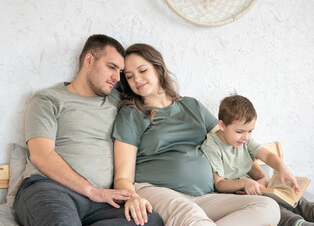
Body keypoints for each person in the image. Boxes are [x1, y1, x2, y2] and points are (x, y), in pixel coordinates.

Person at [112, 43, 280, 226]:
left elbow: (232, 144)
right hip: (156, 191)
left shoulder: (192, 106)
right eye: (129, 76)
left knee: (267, 207)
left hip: (204, 196)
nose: (136, 78)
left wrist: (258, 177)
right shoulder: (131, 114)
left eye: (142, 70)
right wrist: (133, 197)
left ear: (158, 69)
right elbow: (122, 177)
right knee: (192, 217)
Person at [13, 35, 163, 226]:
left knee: (150, 221)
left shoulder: (118, 101)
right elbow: (41, 156)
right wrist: (92, 191)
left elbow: (151, 93)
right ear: (89, 60)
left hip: (102, 202)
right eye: (111, 67)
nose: (117, 77)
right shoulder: (48, 100)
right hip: (49, 189)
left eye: (120, 71)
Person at [201, 94, 314, 226]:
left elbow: (267, 156)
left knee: (294, 198)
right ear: (221, 125)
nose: (246, 137)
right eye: (240, 131)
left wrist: (282, 169)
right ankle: (302, 224)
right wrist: (245, 183)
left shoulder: (243, 141)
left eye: (250, 131)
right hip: (237, 194)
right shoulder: (212, 146)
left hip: (257, 185)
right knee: (275, 208)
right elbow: (220, 184)